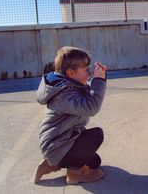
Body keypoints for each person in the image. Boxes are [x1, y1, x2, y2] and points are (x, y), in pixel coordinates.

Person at [34, 46, 108, 184]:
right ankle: (74, 174)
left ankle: (53, 163)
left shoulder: (69, 85)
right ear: (70, 73)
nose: (90, 73)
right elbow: (90, 107)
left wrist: (98, 78)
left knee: (94, 162)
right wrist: (99, 80)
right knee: (96, 135)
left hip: (62, 141)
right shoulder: (63, 94)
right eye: (86, 70)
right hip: (56, 145)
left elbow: (86, 95)